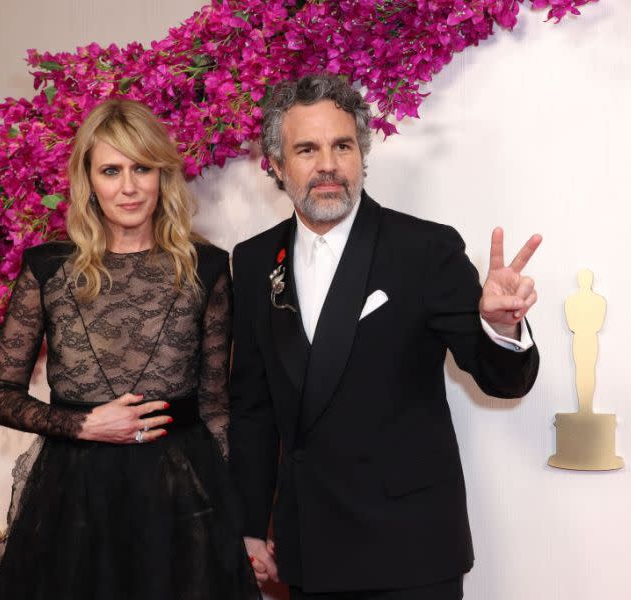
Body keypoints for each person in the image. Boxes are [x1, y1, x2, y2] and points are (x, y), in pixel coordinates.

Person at [228, 74, 542, 599]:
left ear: (361, 157)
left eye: (342, 146)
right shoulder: (256, 260)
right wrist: (250, 525)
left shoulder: (424, 249)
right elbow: (253, 407)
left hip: (411, 553)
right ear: (278, 167)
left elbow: (500, 380)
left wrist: (500, 324)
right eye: (307, 149)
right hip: (308, 551)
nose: (328, 164)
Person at [0, 98, 260, 600]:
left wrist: (238, 516)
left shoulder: (207, 268)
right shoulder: (48, 269)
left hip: (182, 492)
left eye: (142, 168)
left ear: (162, 177)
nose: (128, 187)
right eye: (111, 170)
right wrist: (83, 424)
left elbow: (217, 408)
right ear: (89, 180)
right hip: (75, 492)